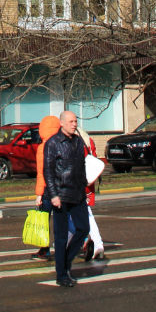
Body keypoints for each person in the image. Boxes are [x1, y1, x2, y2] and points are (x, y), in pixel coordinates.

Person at [43, 109, 89, 287]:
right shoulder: (53, 143)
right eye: (71, 121)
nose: (74, 124)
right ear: (61, 123)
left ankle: (66, 260)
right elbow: (48, 171)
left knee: (83, 228)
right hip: (60, 196)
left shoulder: (78, 141)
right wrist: (53, 195)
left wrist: (84, 185)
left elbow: (81, 165)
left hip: (78, 193)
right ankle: (61, 274)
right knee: (61, 236)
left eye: (75, 121)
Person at [32, 114, 60, 261]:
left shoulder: (43, 148)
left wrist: (39, 194)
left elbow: (41, 173)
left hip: (48, 191)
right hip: (62, 189)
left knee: (43, 221)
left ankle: (44, 250)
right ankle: (83, 240)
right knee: (64, 220)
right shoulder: (63, 145)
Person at [77, 124, 106, 262]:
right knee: (85, 213)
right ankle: (96, 244)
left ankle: (87, 242)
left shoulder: (72, 141)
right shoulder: (87, 138)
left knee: (77, 215)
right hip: (89, 181)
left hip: (78, 183)